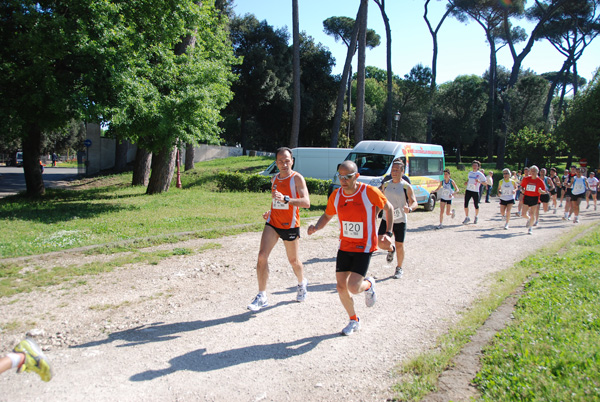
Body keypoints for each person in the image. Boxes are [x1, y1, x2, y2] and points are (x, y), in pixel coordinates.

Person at [307, 161, 394, 336]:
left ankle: (369, 284)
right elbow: (327, 214)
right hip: (345, 246)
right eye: (340, 176)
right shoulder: (337, 195)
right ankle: (354, 320)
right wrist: (316, 227)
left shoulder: (369, 192)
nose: (343, 180)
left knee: (354, 287)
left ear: (356, 176)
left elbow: (389, 208)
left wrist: (388, 232)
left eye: (347, 176)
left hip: (365, 246)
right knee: (341, 287)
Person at [247, 147, 311, 312]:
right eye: (280, 161)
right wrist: (271, 211)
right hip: (273, 223)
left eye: (287, 160)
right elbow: (277, 202)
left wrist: (287, 199)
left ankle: (301, 283)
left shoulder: (297, 179)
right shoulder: (274, 179)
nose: (284, 164)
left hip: (290, 225)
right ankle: (262, 295)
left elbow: (306, 202)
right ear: (276, 163)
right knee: (262, 256)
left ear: (292, 161)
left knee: (293, 261)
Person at [377, 159, 418, 279]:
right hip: (386, 219)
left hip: (400, 220)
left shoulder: (406, 186)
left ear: (402, 171)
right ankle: (391, 249)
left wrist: (410, 208)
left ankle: (399, 268)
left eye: (396, 170)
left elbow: (414, 202)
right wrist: (376, 213)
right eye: (392, 170)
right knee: (380, 243)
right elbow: (381, 201)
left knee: (400, 245)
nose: (393, 172)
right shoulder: (385, 185)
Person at [520, 165, 546, 235]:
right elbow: (522, 187)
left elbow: (544, 191)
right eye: (531, 171)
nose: (533, 172)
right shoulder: (526, 179)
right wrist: (522, 190)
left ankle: (530, 228)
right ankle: (529, 219)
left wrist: (541, 191)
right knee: (523, 214)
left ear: (537, 172)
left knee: (532, 213)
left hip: (535, 197)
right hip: (527, 197)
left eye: (534, 171)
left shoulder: (539, 181)